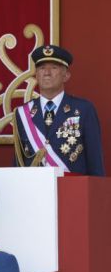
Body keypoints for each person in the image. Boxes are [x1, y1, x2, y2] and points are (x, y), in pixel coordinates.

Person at [14, 44, 105, 175]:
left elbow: (95, 162)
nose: (47, 73)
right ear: (36, 75)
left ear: (66, 75)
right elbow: (18, 164)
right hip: (33, 191)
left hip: (73, 191)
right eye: (41, 68)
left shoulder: (84, 110)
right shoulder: (22, 113)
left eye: (54, 68)